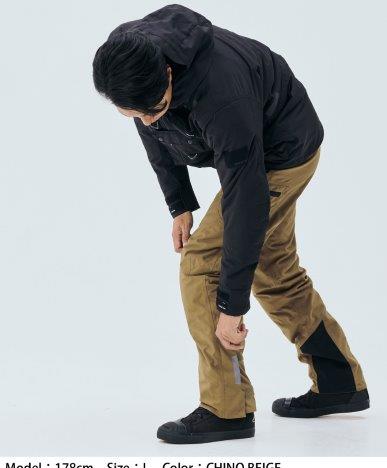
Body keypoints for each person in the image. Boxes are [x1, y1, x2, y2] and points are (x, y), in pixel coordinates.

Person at [92, 3, 369, 444]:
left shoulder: (222, 95)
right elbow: (152, 126)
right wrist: (179, 203)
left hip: (281, 153)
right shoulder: (130, 59)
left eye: (154, 108)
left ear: (168, 74)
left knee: (202, 264)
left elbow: (246, 197)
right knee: (274, 268)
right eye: (132, 114)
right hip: (261, 144)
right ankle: (339, 382)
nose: (146, 120)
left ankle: (227, 408)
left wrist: (231, 308)